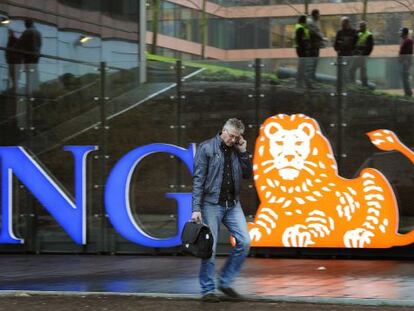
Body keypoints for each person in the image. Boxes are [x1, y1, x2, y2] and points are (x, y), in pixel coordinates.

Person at [192, 118, 252, 303]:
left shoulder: (237, 149)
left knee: (245, 242)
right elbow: (198, 179)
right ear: (223, 131)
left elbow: (248, 174)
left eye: (237, 137)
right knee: (210, 248)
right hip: (211, 204)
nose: (233, 140)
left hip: (232, 205)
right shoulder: (207, 148)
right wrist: (196, 208)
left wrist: (243, 152)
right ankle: (208, 290)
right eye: (231, 136)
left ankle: (224, 282)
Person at [16, 18, 42, 96]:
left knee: (29, 75)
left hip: (29, 56)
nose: (25, 25)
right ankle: (35, 90)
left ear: (27, 24)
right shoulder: (38, 33)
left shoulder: (27, 32)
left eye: (25, 24)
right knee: (34, 72)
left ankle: (31, 92)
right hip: (36, 56)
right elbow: (40, 45)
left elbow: (19, 44)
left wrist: (13, 49)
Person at [334, 17, 358, 84]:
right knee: (341, 71)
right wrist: (337, 50)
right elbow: (336, 44)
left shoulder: (353, 32)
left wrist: (354, 52)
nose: (342, 24)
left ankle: (349, 84)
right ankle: (342, 85)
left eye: (343, 23)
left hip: (350, 55)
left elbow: (357, 43)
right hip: (341, 55)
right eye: (342, 23)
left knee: (348, 70)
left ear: (348, 23)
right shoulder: (339, 32)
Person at [350, 20, 374, 87]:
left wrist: (363, 54)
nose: (361, 28)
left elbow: (370, 47)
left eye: (362, 26)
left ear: (365, 26)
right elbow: (354, 43)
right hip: (357, 56)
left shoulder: (369, 34)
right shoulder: (358, 33)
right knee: (352, 70)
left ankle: (364, 86)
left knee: (362, 72)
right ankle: (353, 85)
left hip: (363, 57)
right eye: (360, 26)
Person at [307, 9, 325, 80]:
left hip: (315, 46)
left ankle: (312, 78)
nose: (319, 16)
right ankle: (310, 79)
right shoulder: (310, 22)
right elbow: (314, 32)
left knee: (314, 63)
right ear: (315, 14)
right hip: (313, 47)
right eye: (319, 14)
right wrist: (322, 37)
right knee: (312, 63)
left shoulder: (313, 22)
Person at [294, 15, 312, 88]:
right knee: (303, 66)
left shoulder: (302, 27)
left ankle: (302, 82)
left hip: (300, 49)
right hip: (302, 50)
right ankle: (301, 82)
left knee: (302, 66)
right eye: (306, 20)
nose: (307, 21)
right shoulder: (300, 28)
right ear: (304, 20)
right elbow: (301, 40)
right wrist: (306, 48)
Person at [398, 27, 413, 97]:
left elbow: (407, 52)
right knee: (404, 78)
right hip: (404, 62)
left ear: (404, 33)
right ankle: (407, 92)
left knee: (405, 77)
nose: (400, 34)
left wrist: (403, 59)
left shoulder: (408, 41)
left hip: (406, 62)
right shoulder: (404, 40)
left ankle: (408, 93)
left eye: (401, 32)